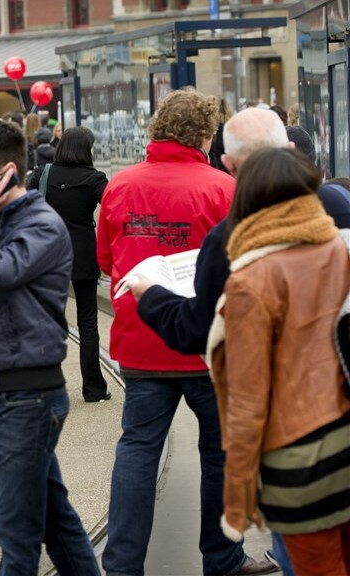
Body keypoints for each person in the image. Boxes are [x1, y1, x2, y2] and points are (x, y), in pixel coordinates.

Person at [126, 107, 350, 576]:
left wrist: (152, 297)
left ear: (228, 163)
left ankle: (127, 563)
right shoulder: (335, 215)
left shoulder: (233, 241)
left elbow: (203, 331)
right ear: (291, 150)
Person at [98, 90, 277, 576]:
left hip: (142, 337)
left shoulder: (120, 185)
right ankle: (222, 558)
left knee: (137, 449)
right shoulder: (223, 188)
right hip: (208, 344)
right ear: (204, 135)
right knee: (219, 454)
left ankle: (122, 565)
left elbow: (107, 262)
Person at [0, 119, 98, 576]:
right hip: (6, 392)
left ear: (8, 173)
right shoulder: (2, 221)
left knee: (16, 537)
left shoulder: (40, 224)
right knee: (58, 523)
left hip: (29, 398)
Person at [207, 147, 350, 576]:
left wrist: (238, 498)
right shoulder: (340, 251)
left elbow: (248, 400)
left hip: (301, 462)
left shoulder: (251, 280)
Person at [39, 127, 111, 402]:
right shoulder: (94, 178)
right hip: (83, 254)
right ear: (85, 149)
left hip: (49, 254)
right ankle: (93, 388)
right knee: (88, 323)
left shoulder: (43, 174)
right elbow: (113, 207)